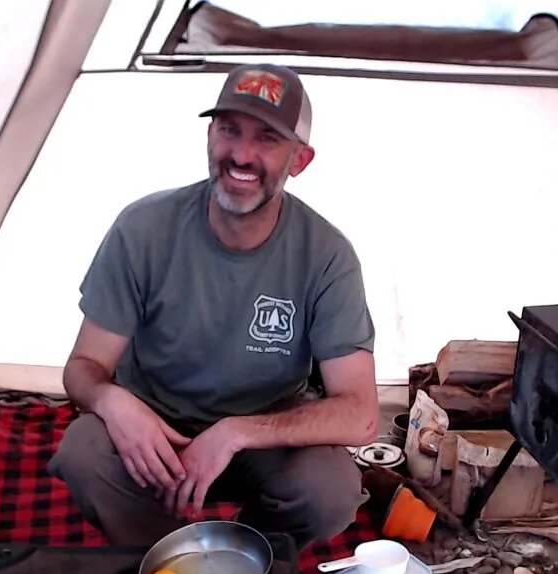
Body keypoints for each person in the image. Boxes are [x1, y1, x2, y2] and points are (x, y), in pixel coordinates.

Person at [47, 63, 378, 549]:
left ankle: (240, 555)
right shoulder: (143, 229)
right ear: (209, 136)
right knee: (83, 452)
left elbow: (360, 415)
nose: (241, 154)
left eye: (267, 138)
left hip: (261, 441)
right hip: (156, 434)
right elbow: (83, 368)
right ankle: (166, 562)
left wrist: (234, 433)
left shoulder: (327, 255)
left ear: (299, 160)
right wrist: (113, 401)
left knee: (330, 489)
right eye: (229, 130)